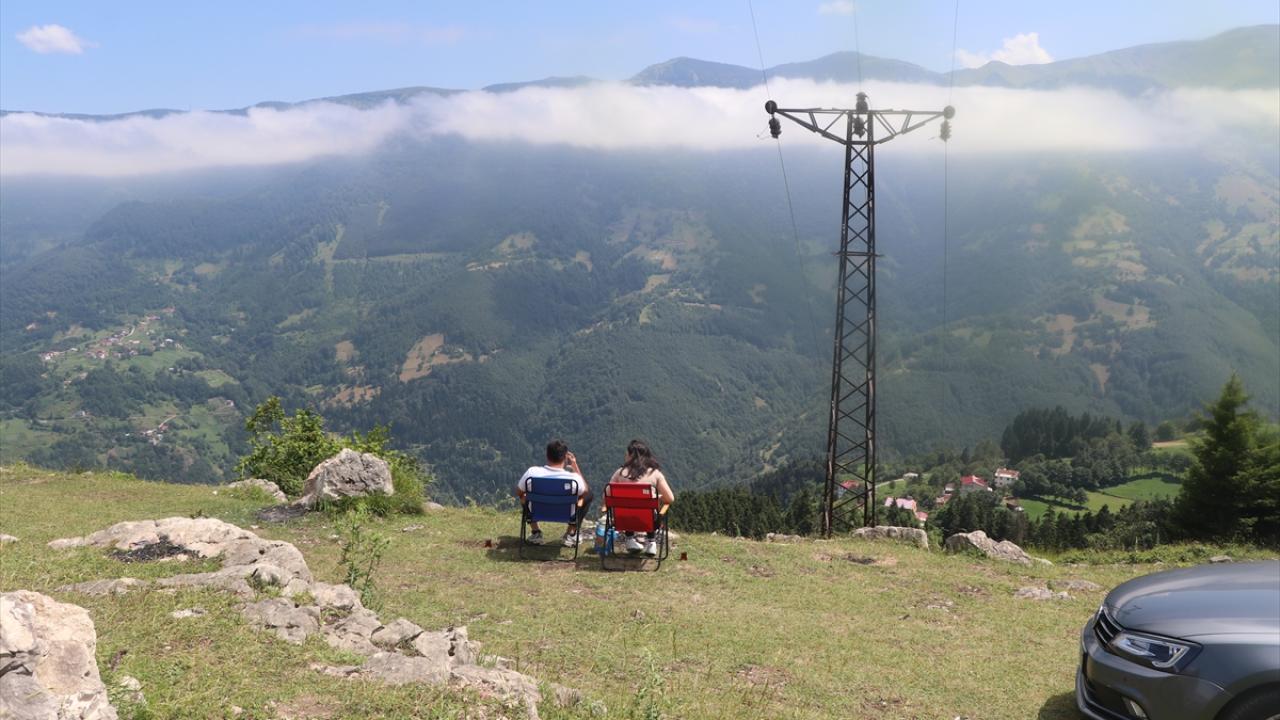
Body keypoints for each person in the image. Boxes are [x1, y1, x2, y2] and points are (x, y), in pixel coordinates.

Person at [515, 439, 592, 547]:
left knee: (523, 496)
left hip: (537, 511)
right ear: (565, 458)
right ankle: (570, 534)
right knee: (588, 495)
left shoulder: (532, 472)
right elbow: (586, 491)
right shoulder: (573, 478)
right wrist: (575, 466)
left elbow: (519, 492)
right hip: (566, 514)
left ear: (547, 455)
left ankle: (536, 532)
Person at [607, 439, 675, 557]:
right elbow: (670, 499)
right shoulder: (655, 474)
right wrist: (655, 498)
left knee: (628, 506)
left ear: (630, 456)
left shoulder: (620, 473)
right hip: (649, 522)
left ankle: (630, 540)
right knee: (650, 509)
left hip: (622, 520)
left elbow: (606, 495)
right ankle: (651, 542)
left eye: (627, 453)